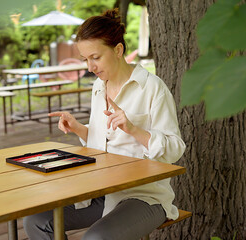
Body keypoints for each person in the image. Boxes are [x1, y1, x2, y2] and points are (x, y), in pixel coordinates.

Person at [23, 8, 186, 240]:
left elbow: (175, 149)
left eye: (95, 57)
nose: (90, 68)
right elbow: (103, 144)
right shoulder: (99, 87)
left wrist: (133, 129)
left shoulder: (152, 88)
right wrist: (78, 128)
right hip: (100, 192)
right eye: (85, 59)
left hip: (144, 196)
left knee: (96, 238)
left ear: (118, 50)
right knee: (36, 221)